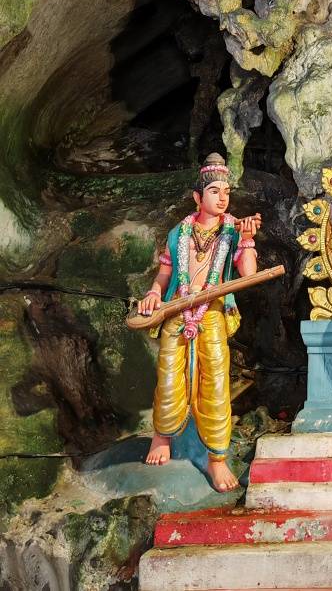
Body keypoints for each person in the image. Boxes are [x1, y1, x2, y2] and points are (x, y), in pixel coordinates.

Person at [136, 153, 261, 492]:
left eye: (227, 192)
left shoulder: (232, 231)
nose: (223, 198)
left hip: (213, 315)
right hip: (177, 312)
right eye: (215, 191)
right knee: (168, 374)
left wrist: (247, 240)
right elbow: (165, 273)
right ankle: (161, 437)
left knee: (217, 382)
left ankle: (216, 459)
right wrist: (153, 295)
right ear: (197, 197)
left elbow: (248, 275)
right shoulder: (179, 232)